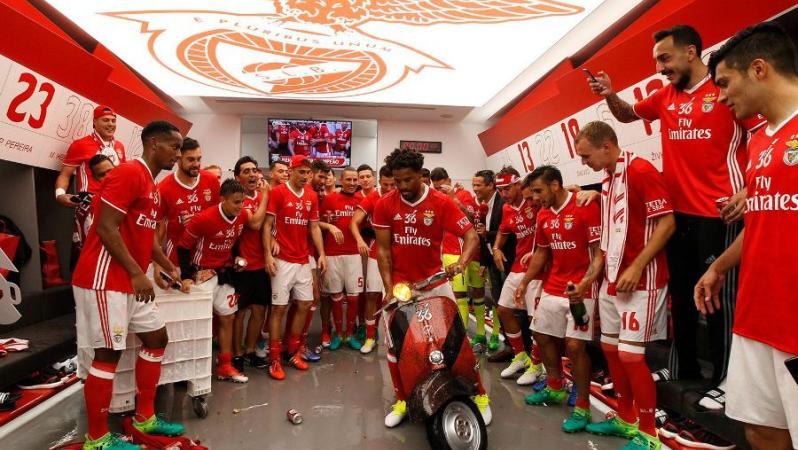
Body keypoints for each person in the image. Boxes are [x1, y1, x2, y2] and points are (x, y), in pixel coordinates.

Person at [587, 25, 765, 385]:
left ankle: (726, 381)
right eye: (656, 61)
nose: (660, 68)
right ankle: (685, 370)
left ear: (691, 52)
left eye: (665, 58)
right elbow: (626, 114)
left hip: (720, 215)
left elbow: (764, 134)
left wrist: (750, 187)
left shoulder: (727, 92)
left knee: (716, 303)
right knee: (681, 299)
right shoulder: (664, 96)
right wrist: (610, 94)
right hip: (677, 216)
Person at [695, 23, 798, 450]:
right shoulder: (757, 144)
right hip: (755, 318)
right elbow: (762, 222)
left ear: (759, 69)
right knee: (759, 429)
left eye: (723, 83)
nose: (719, 96)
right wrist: (718, 267)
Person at [71, 120, 184, 450]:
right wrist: (138, 274)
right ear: (153, 144)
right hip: (106, 279)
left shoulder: (150, 184)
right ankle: (97, 439)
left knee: (157, 337)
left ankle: (145, 417)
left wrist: (166, 267)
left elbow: (144, 236)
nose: (178, 154)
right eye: (174, 147)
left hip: (132, 280)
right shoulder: (129, 173)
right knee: (108, 354)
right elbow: (107, 229)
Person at [574, 121, 675, 450]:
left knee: (632, 357)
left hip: (641, 280)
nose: (583, 163)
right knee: (610, 350)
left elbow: (667, 223)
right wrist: (588, 280)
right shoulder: (608, 178)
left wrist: (637, 265)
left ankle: (649, 434)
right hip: (612, 280)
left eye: (586, 156)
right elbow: (607, 239)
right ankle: (626, 418)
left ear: (607, 146)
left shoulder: (641, 170)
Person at [373, 148, 490, 428]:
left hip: (435, 283)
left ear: (421, 176)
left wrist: (462, 262)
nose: (402, 187)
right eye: (397, 181)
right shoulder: (385, 204)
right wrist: (390, 288)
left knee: (457, 342)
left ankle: (480, 396)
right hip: (400, 286)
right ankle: (402, 399)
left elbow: (471, 236)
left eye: (408, 180)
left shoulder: (441, 202)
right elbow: (383, 252)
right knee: (396, 346)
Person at [516, 166, 604, 434]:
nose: (536, 198)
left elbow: (598, 253)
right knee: (540, 334)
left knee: (575, 346)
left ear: (555, 185)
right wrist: (524, 281)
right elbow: (542, 254)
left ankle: (583, 406)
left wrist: (585, 284)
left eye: (540, 191)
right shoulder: (543, 215)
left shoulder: (584, 206)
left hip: (581, 289)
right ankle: (555, 387)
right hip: (554, 286)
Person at [177, 179, 254, 383]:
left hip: (226, 273)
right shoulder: (203, 219)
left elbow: (235, 240)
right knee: (198, 323)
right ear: (223, 199)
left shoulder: (243, 215)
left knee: (228, 318)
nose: (241, 206)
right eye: (236, 202)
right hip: (202, 275)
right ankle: (189, 369)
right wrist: (185, 277)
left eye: (243, 202)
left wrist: (237, 258)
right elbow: (183, 247)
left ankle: (225, 366)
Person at [263, 155, 327, 380]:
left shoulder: (311, 195)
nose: (306, 176)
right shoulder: (278, 192)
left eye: (308, 172)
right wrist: (267, 256)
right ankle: (274, 358)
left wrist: (321, 254)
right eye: (302, 172)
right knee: (278, 308)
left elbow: (315, 228)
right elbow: (267, 224)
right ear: (291, 171)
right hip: (282, 260)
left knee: (305, 304)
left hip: (302, 259)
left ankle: (293, 351)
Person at [490, 171, 545, 386]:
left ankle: (537, 364)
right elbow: (503, 231)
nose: (503, 194)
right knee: (503, 309)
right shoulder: (506, 209)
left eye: (507, 189)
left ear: (518, 185)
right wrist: (496, 248)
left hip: (538, 269)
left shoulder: (536, 202)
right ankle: (520, 355)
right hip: (517, 266)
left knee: (534, 321)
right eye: (500, 190)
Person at [429, 168, 483, 345]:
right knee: (455, 295)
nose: (439, 190)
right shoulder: (434, 200)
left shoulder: (464, 194)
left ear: (449, 180)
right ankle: (461, 336)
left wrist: (453, 198)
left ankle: (467, 337)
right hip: (445, 251)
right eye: (436, 187)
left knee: (469, 294)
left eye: (442, 186)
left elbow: (469, 219)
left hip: (462, 251)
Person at [349, 164, 395, 354]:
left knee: (399, 297)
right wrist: (360, 239)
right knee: (371, 295)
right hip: (378, 252)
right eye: (385, 185)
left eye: (394, 185)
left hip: (401, 252)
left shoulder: (404, 195)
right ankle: (370, 336)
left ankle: (399, 337)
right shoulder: (374, 197)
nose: (390, 189)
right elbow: (354, 221)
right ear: (379, 182)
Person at [230, 156, 271, 373]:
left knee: (259, 311)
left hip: (261, 265)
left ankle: (250, 350)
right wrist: (265, 196)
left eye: (254, 170)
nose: (252, 174)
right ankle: (236, 355)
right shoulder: (238, 200)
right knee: (240, 312)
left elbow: (270, 226)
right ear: (237, 177)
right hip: (242, 266)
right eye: (246, 171)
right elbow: (255, 224)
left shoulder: (263, 196)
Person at [154, 138, 220, 269]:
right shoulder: (164, 188)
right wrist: (157, 264)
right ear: (178, 159)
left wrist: (199, 221)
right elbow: (157, 229)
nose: (196, 164)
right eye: (191, 160)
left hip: (207, 258)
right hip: (176, 260)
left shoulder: (211, 181)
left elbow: (219, 217)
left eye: (199, 159)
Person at [320, 167, 364, 350]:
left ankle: (350, 333)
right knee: (336, 296)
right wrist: (331, 227)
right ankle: (338, 334)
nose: (352, 183)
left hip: (354, 254)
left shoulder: (362, 200)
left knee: (353, 297)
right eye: (349, 179)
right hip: (332, 254)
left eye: (355, 180)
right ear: (341, 179)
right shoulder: (330, 199)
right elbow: (317, 222)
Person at [56, 105, 126, 207]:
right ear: (94, 122)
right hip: (90, 202)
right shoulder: (80, 145)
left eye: (113, 121)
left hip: (114, 203)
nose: (110, 124)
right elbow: (65, 175)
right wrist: (60, 195)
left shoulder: (119, 146)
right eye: (106, 120)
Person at [472, 169, 509, 358]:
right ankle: (509, 345)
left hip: (506, 261)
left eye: (478, 185)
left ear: (490, 185)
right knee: (497, 300)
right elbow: (483, 236)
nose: (475, 188)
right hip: (491, 261)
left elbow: (509, 234)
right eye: (474, 184)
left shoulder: (503, 204)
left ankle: (515, 348)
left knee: (507, 306)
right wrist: (484, 262)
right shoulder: (483, 206)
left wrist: (488, 234)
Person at [73, 155, 116, 252]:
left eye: (110, 171)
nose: (108, 176)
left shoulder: (132, 196)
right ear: (95, 178)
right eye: (102, 175)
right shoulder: (88, 206)